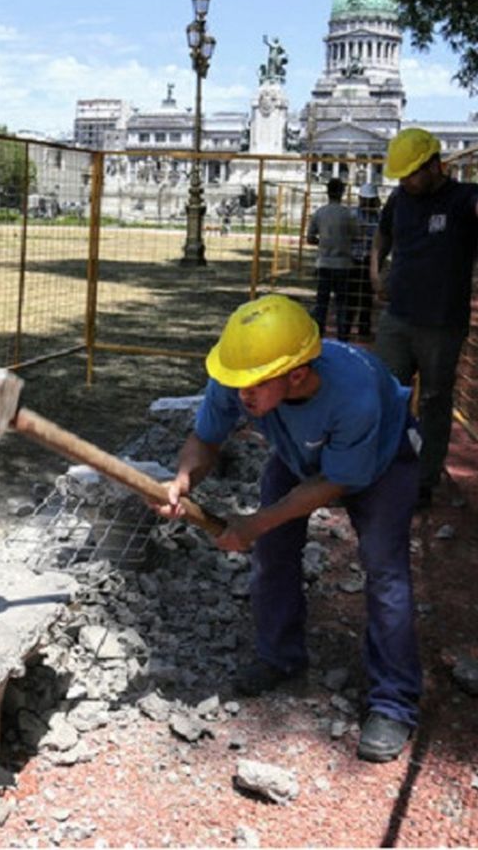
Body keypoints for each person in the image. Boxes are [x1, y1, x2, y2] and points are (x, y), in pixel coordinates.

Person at [156, 294, 423, 763]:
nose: (242, 395)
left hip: (379, 460)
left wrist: (253, 524)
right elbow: (205, 438)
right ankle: (280, 655)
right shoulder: (243, 375)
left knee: (385, 571)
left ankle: (394, 701)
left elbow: (334, 484)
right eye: (237, 384)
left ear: (297, 374)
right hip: (302, 453)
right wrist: (182, 480)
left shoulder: (354, 396)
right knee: (273, 553)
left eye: (253, 387)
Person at [371, 128, 478, 510]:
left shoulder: (461, 198)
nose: (405, 182)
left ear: (435, 165)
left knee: (433, 399)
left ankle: (423, 478)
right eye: (401, 176)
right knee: (385, 394)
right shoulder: (400, 199)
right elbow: (382, 235)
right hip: (397, 317)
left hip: (441, 322)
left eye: (412, 173)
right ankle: (383, 466)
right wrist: (374, 269)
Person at [306, 178, 358, 338]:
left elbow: (310, 237)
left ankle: (319, 335)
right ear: (342, 193)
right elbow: (356, 236)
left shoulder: (320, 212)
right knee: (342, 304)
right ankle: (342, 336)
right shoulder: (347, 214)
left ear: (327, 193)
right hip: (343, 264)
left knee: (322, 303)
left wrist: (322, 242)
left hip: (324, 263)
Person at [346, 183, 382, 338]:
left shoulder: (379, 217)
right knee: (351, 296)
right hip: (353, 259)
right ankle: (345, 328)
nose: (367, 203)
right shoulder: (352, 215)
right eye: (365, 200)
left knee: (367, 298)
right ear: (360, 199)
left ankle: (363, 328)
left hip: (369, 260)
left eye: (371, 200)